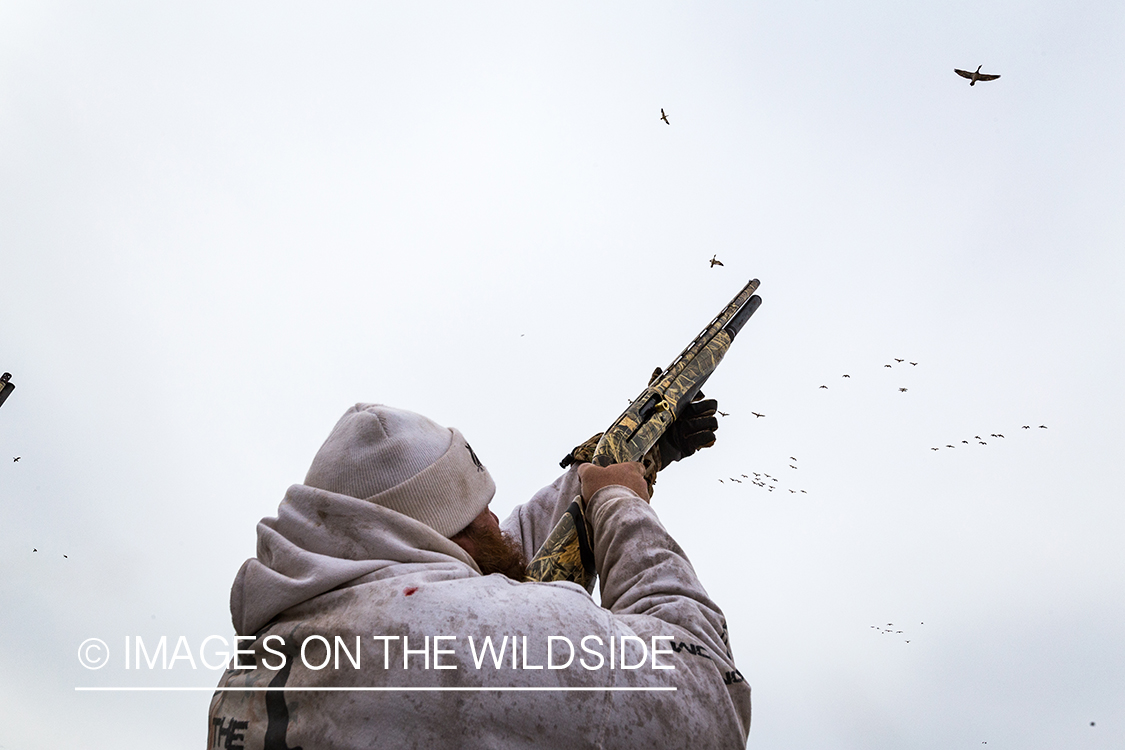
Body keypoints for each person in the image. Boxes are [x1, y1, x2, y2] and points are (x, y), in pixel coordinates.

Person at [208, 403, 750, 749]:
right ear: (445, 530)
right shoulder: (470, 645)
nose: (497, 517)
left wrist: (620, 457)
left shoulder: (257, 666)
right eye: (479, 509)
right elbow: (708, 699)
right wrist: (619, 502)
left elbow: (489, 569)